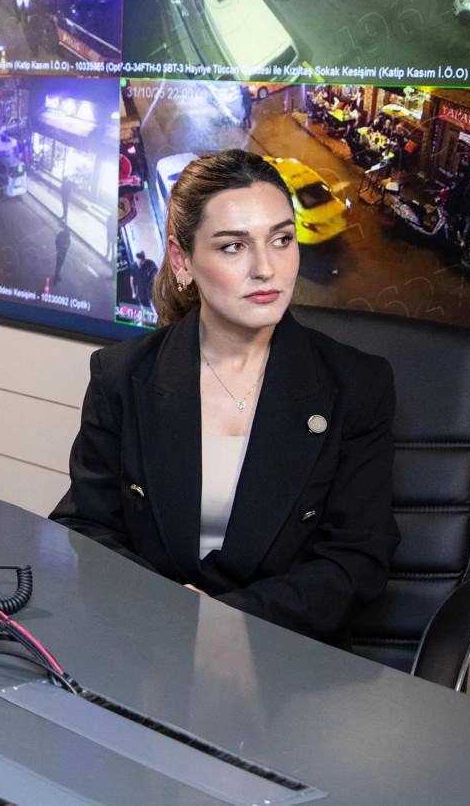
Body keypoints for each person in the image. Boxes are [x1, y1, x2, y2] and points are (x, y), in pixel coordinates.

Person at [50, 149, 398, 645]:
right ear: (182, 260)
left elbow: (357, 560)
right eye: (234, 246)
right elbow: (85, 526)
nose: (266, 269)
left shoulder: (356, 385)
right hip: (148, 644)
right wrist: (169, 610)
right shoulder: (121, 375)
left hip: (285, 655)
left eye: (281, 239)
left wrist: (221, 619)